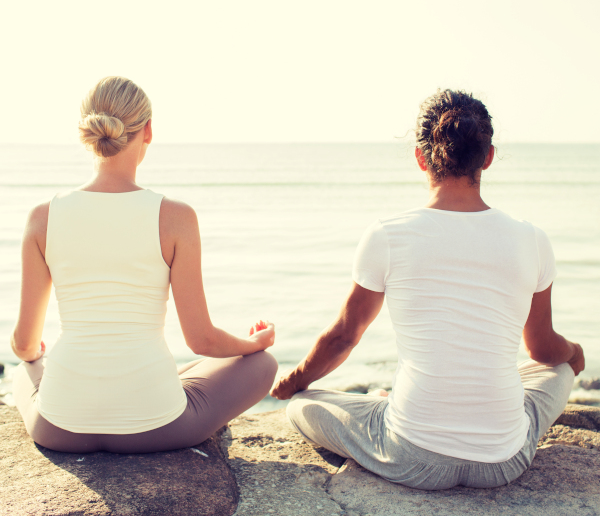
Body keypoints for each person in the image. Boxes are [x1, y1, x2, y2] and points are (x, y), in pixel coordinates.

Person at [271, 89, 585, 490]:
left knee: (302, 406)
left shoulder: (387, 235)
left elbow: (343, 338)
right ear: (487, 157)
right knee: (557, 369)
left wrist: (295, 379)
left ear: (422, 158)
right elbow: (542, 349)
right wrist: (574, 353)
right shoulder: (532, 239)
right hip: (505, 461)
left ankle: (393, 403)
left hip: (413, 458)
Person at [11, 76, 277, 453]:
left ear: (88, 132)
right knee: (262, 365)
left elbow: (23, 344)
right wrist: (251, 343)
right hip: (158, 426)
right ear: (148, 131)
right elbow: (201, 339)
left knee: (28, 368)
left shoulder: (42, 217)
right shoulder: (176, 217)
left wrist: (34, 355)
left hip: (59, 428)